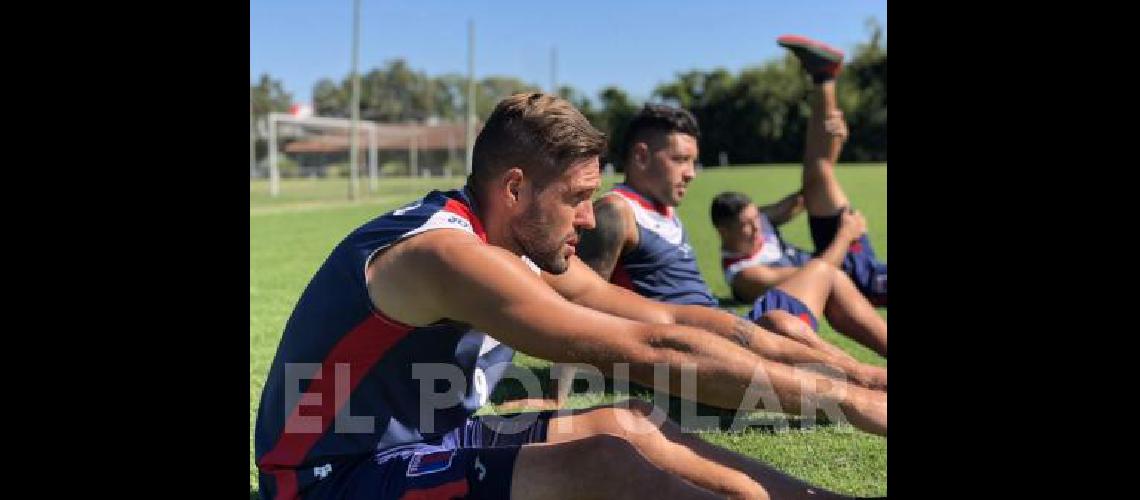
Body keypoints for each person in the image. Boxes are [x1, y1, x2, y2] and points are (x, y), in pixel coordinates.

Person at [255, 92, 886, 499]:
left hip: (434, 438)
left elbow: (669, 316)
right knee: (607, 466)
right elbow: (650, 348)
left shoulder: (512, 244)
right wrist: (847, 403)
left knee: (634, 423)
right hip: (334, 476)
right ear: (515, 189)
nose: (589, 220)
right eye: (577, 199)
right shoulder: (447, 256)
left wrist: (858, 375)